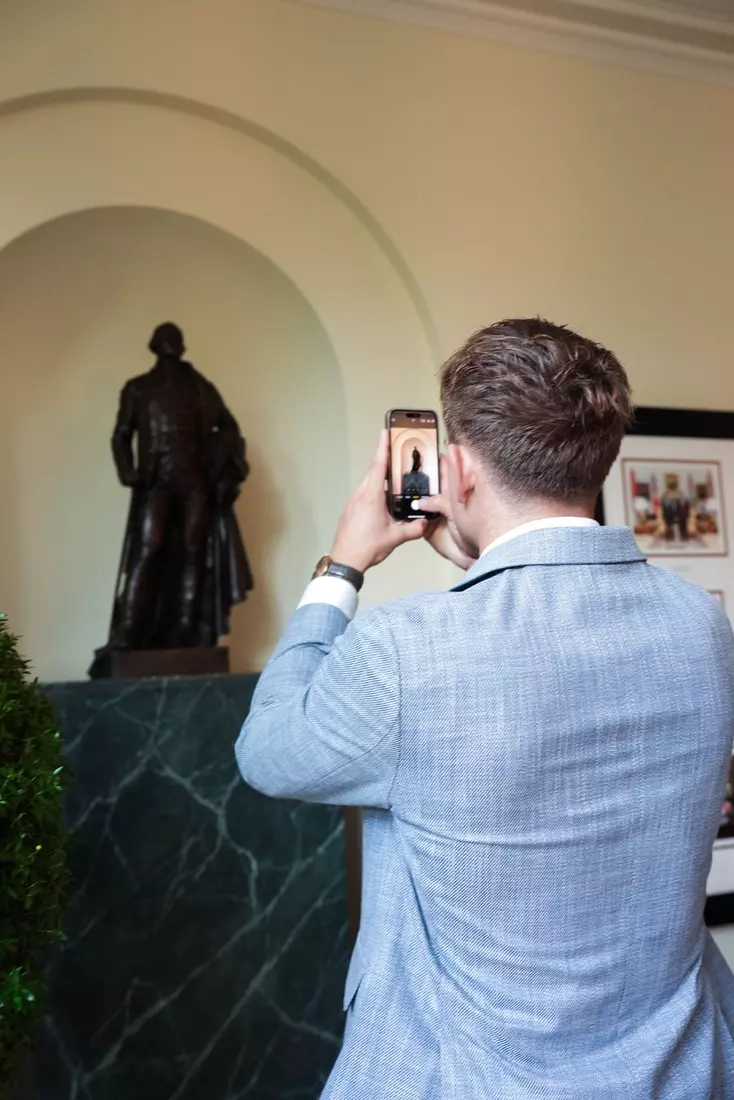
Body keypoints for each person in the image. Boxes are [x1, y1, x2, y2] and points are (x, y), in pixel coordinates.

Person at [235, 319, 734, 1098]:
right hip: (683, 1073)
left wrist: (344, 563)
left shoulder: (410, 650)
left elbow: (267, 750)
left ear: (455, 467)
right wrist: (491, 557)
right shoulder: (701, 625)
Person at [108, 322, 252, 650]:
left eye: (175, 342)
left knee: (193, 551)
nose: (171, 348)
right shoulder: (139, 388)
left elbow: (228, 427)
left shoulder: (199, 386)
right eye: (166, 342)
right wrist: (128, 471)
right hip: (156, 480)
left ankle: (189, 630)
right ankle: (129, 630)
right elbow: (120, 435)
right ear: (156, 346)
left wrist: (218, 460)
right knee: (148, 548)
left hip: (194, 480)